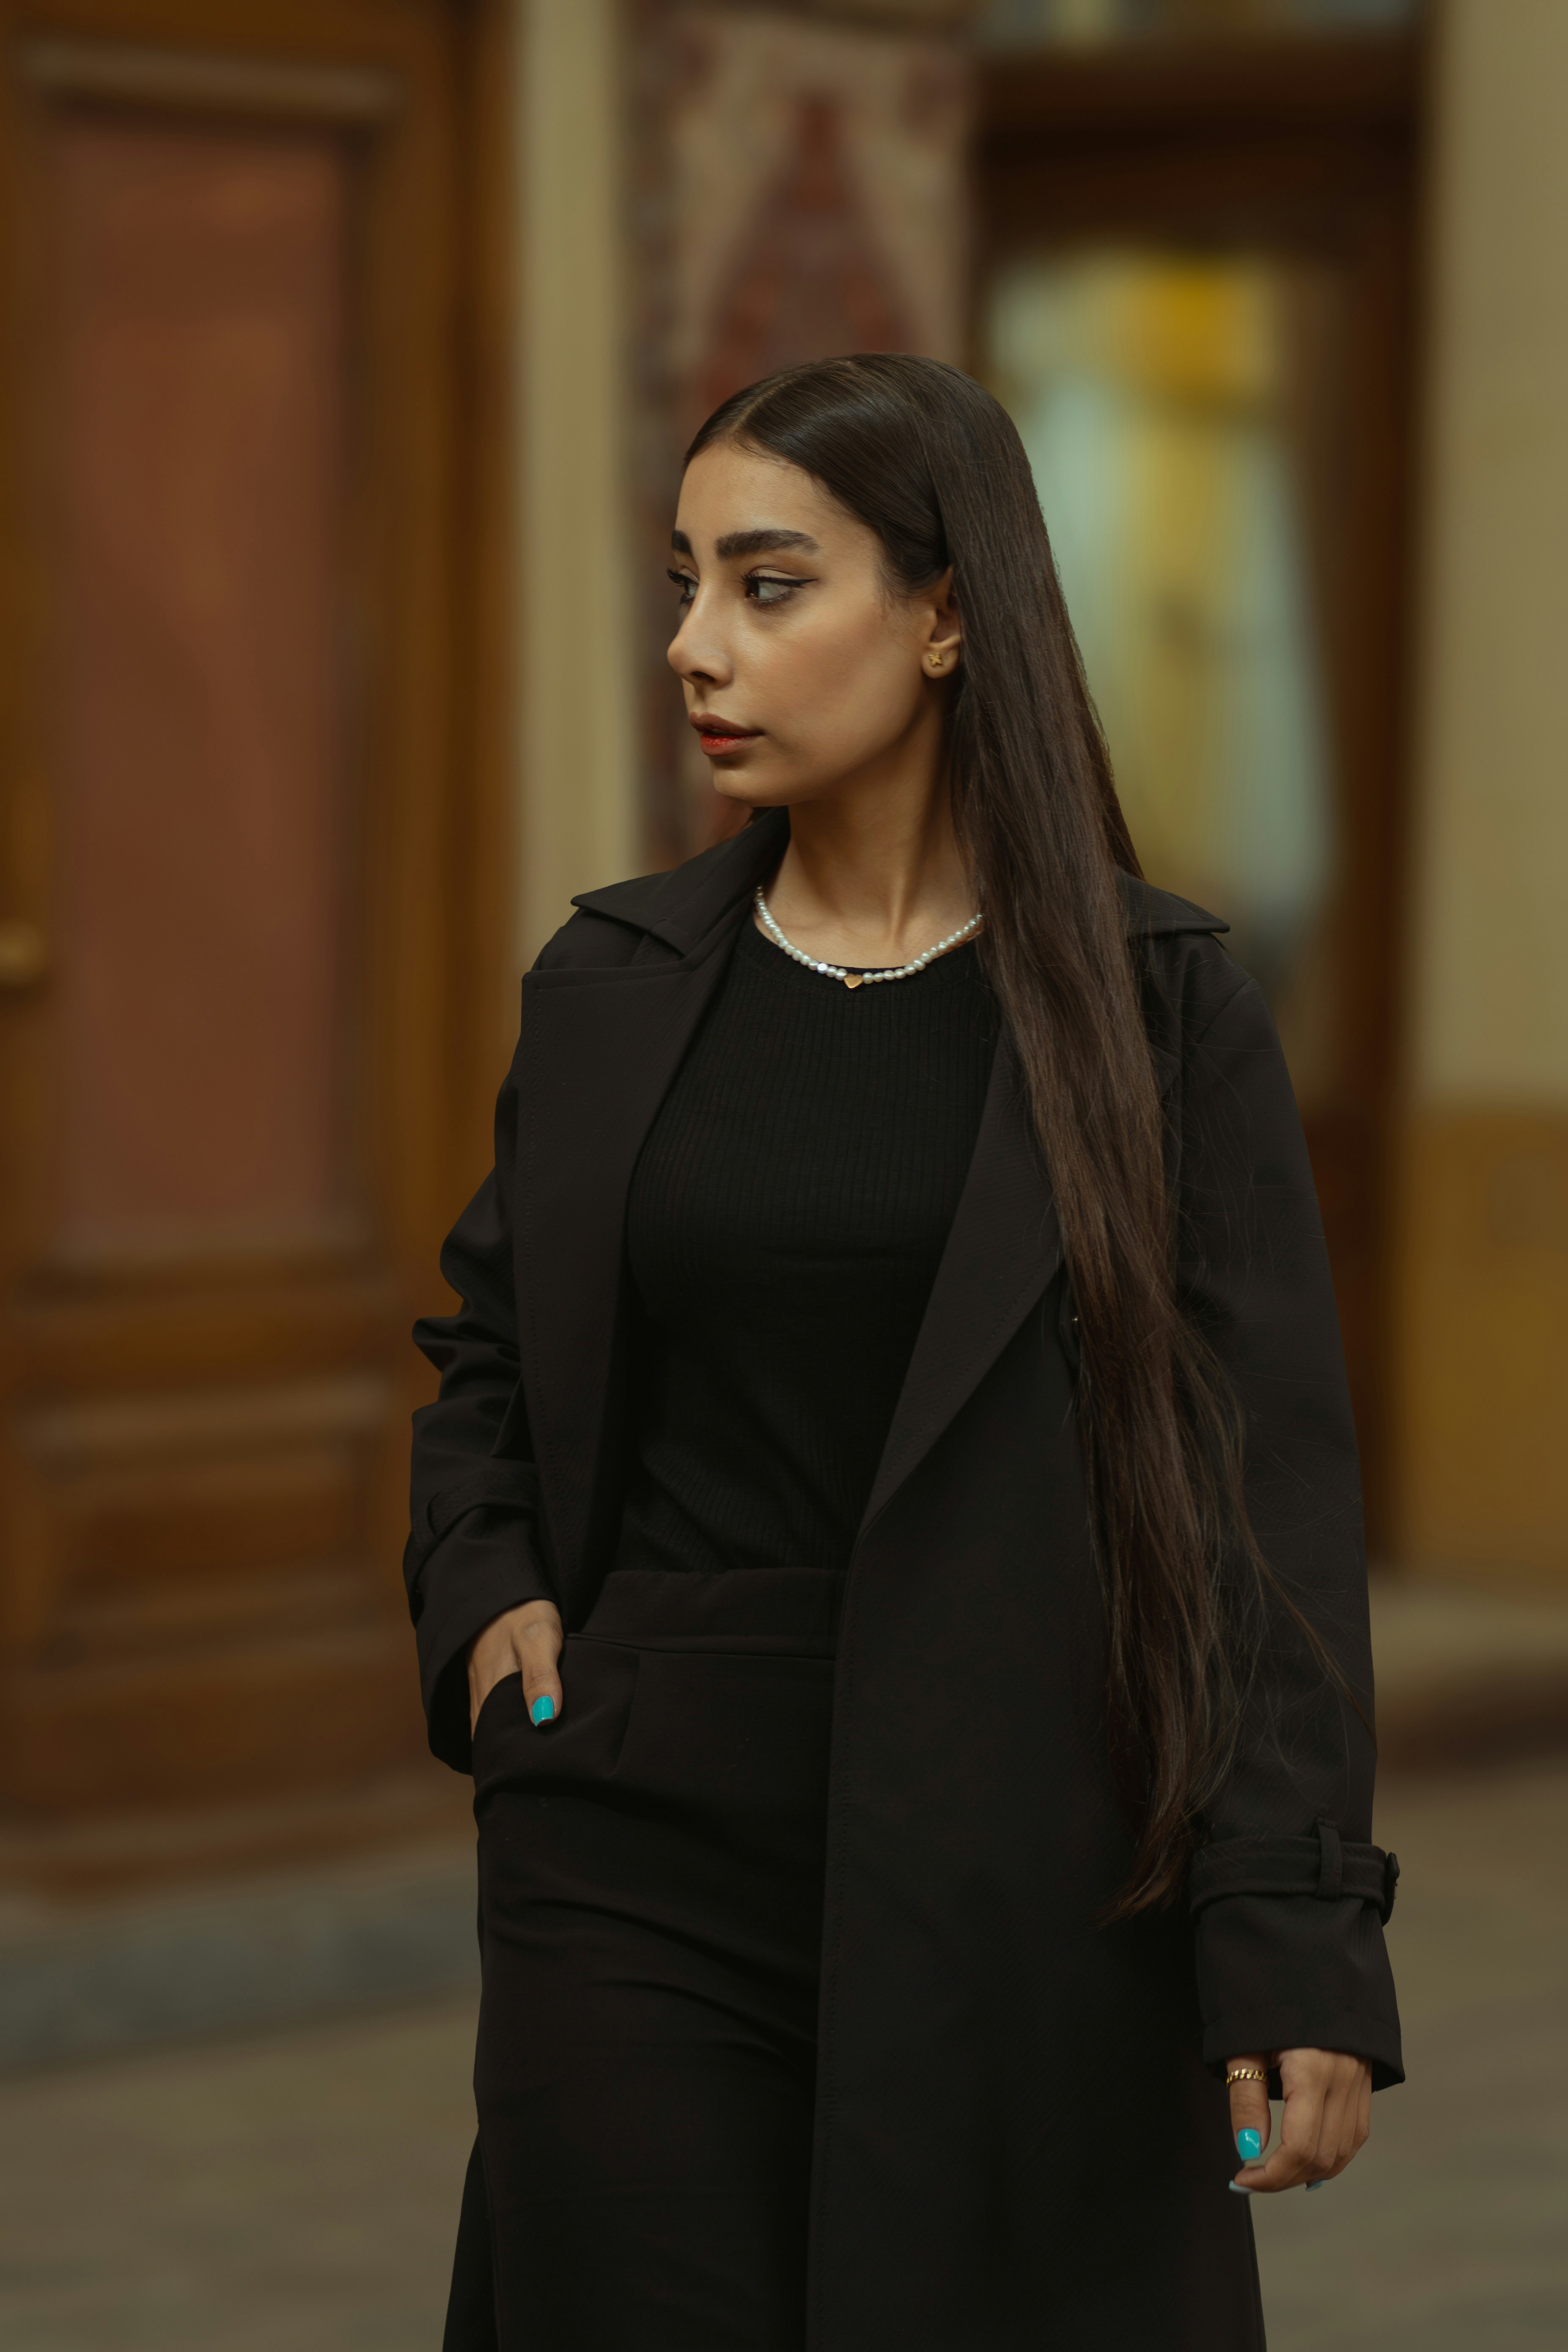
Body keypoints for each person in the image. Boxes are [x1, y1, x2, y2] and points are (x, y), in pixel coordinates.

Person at [404, 354, 1402, 2352]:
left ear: (948, 613)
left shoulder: (1159, 1011)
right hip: (638, 1832)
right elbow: (489, 1354)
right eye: (686, 582)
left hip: (1034, 1849)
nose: (697, 644)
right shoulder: (616, 981)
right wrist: (487, 1591)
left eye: (768, 584)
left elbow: (1257, 1499)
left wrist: (1293, 1921)